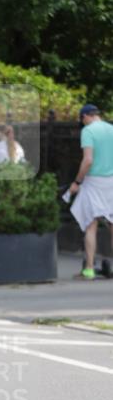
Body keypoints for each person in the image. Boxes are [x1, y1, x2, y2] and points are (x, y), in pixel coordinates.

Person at [69, 103, 113, 279]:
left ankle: (88, 269)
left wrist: (77, 181)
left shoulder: (88, 131)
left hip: (94, 181)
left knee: (91, 225)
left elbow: (87, 160)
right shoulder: (111, 129)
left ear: (86, 116)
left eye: (83, 120)